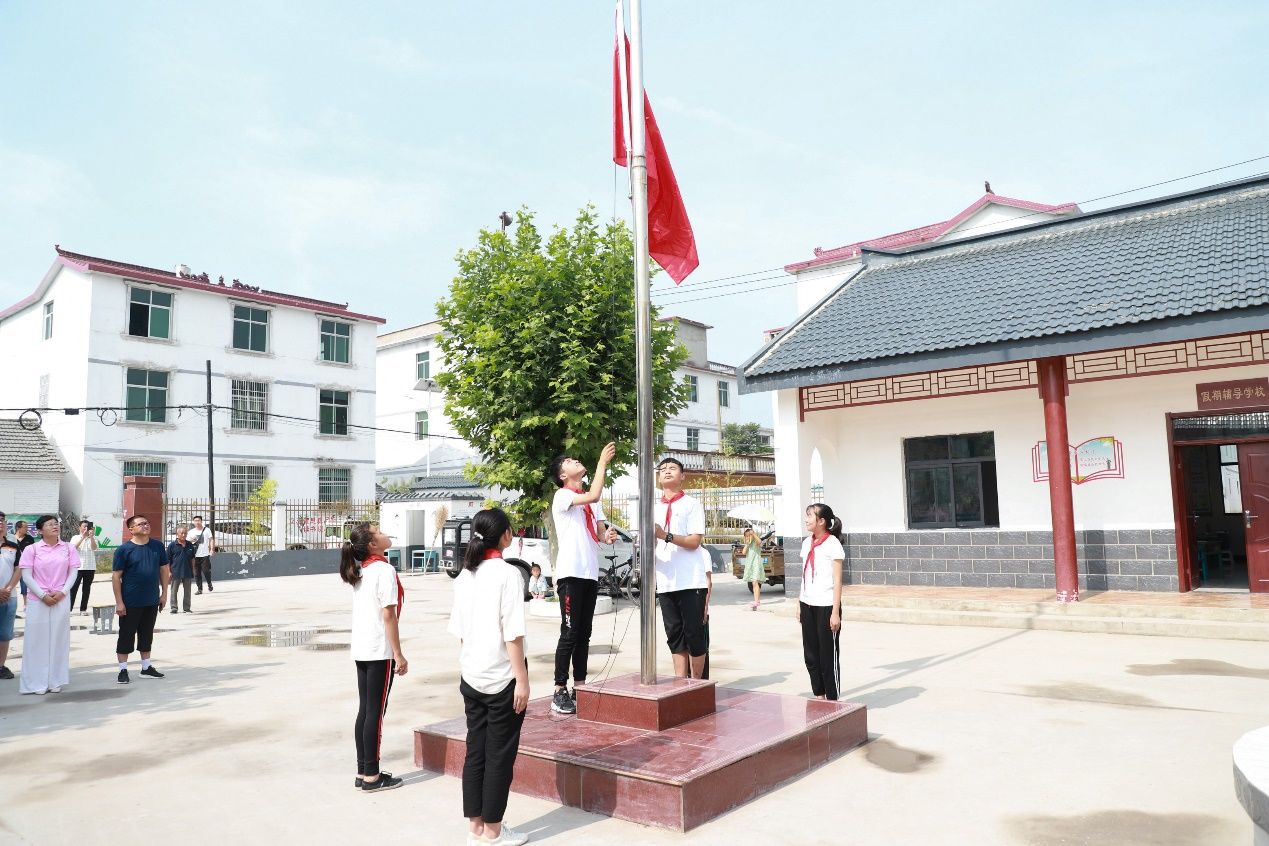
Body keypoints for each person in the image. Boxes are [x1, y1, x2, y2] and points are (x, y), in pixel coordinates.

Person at [448, 508, 529, 846]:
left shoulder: (465, 576)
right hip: (501, 679)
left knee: (476, 753)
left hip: (471, 675)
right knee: (499, 757)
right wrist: (522, 679)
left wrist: (471, 665)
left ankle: (476, 829)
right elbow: (513, 633)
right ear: (505, 535)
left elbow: (460, 632)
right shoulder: (508, 574)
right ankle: (493, 832)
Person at [547, 442, 618, 715]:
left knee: (584, 634)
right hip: (570, 574)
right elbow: (595, 494)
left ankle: (580, 685)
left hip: (589, 573)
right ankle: (558, 689)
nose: (575, 460)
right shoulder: (562, 496)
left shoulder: (591, 503)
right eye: (569, 461)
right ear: (563, 475)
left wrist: (607, 536)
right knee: (569, 632)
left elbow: (599, 533)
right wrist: (601, 463)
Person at [341, 522, 407, 793]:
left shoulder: (363, 571)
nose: (384, 533)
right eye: (379, 531)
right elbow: (388, 615)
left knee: (366, 710)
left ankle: (363, 770)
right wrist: (398, 654)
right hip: (379, 650)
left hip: (362, 647)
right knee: (375, 713)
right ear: (372, 544)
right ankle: (372, 776)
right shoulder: (384, 570)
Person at [652, 457, 709, 679]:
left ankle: (697, 683)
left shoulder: (691, 504)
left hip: (690, 580)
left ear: (682, 476)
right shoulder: (652, 507)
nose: (667, 471)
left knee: (694, 634)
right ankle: (679, 682)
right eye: (663, 469)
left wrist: (664, 535)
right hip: (665, 580)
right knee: (674, 634)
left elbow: (694, 541)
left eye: (672, 468)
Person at [18, 515, 77, 695]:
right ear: (40, 530)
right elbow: (26, 576)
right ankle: (35, 682)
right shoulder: (32, 549)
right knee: (36, 641)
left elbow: (73, 573)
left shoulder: (68, 548)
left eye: (56, 523)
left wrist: (62, 593)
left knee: (59, 639)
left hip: (61, 598)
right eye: (49, 524)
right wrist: (43, 595)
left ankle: (55, 680)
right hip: (38, 600)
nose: (54, 526)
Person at [112, 514, 170, 684]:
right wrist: (119, 602)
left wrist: (164, 593)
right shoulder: (124, 550)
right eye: (141, 524)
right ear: (131, 529)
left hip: (151, 599)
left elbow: (164, 570)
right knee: (126, 635)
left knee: (147, 634)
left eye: (147, 523)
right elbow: (116, 577)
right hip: (130, 601)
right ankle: (123, 670)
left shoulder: (157, 546)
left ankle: (146, 667)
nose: (146, 525)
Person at [797, 503, 846, 701]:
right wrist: (799, 603)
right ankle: (819, 695)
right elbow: (804, 575)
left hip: (826, 605)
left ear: (822, 521)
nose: (806, 519)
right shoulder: (806, 543)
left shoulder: (833, 544)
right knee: (810, 655)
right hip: (807, 604)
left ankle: (832, 700)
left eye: (810, 516)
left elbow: (838, 580)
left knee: (827, 656)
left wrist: (835, 612)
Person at [0, 514, 21, 680]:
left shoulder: (13, 547)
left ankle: (0, 666)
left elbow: (19, 569)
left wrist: (8, 588)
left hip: (9, 597)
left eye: (2, 521)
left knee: (5, 634)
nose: (0, 523)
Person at [69, 519, 98, 616]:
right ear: (79, 528)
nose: (86, 528)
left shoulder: (93, 538)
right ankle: (69, 609)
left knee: (86, 589)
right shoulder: (75, 537)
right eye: (84, 526)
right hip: (77, 568)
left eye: (87, 526)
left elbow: (94, 548)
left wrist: (91, 537)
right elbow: (73, 548)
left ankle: (83, 609)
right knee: (73, 589)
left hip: (90, 567)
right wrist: (83, 538)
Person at [167, 525, 196, 614]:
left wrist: (193, 569)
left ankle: (186, 608)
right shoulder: (172, 545)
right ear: (177, 534)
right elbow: (167, 560)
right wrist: (169, 571)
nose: (184, 535)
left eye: (185, 533)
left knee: (187, 591)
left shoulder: (190, 545)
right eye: (182, 533)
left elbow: (192, 558)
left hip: (187, 571)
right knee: (174, 590)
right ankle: (174, 607)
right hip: (175, 571)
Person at [739, 527, 764, 610]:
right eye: (746, 536)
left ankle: (757, 601)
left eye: (748, 536)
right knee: (753, 583)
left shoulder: (756, 542)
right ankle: (757, 600)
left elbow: (759, 542)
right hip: (750, 565)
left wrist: (753, 534)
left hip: (756, 563)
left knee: (755, 582)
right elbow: (743, 552)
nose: (747, 537)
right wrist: (747, 544)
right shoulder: (748, 544)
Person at [189, 515, 215, 594]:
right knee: (197, 573)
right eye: (195, 521)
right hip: (194, 555)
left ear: (201, 521)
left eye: (198, 520)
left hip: (205, 555)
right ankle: (199, 589)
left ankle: (209, 583)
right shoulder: (191, 532)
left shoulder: (207, 530)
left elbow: (211, 539)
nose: (197, 522)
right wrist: (191, 540)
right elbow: (187, 541)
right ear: (193, 522)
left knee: (206, 571)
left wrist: (212, 549)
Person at [14, 520, 34, 614]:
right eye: (25, 527)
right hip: (13, 565)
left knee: (25, 585)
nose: (27, 529)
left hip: (25, 565)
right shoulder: (11, 539)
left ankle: (26, 605)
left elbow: (33, 552)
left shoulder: (29, 539)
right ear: (18, 528)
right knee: (9, 585)